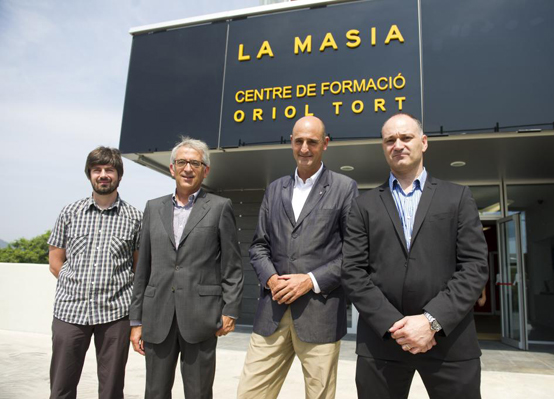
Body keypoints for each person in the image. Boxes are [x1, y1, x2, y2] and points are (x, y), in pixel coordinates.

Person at [342, 113, 489, 399]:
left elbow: (474, 267)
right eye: (390, 140)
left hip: (449, 341)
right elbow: (353, 272)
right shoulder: (363, 205)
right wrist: (395, 327)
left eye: (406, 137)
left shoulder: (457, 197)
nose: (398, 145)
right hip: (382, 342)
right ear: (383, 147)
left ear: (423, 142)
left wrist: (431, 321)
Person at [237, 116, 358, 399]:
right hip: (272, 312)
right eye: (299, 141)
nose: (305, 148)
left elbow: (353, 253)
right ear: (291, 141)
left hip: (320, 315)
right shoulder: (274, 189)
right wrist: (270, 278)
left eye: (312, 142)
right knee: (248, 393)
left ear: (325, 144)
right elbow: (258, 246)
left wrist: (310, 280)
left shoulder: (344, 188)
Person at [129, 137, 244, 399]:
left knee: (199, 393)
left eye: (195, 163)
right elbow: (142, 269)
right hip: (157, 318)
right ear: (172, 168)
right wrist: (136, 321)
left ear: (206, 170)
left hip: (201, 318)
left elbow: (232, 266)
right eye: (182, 162)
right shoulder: (153, 208)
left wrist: (231, 310)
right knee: (155, 393)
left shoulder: (219, 207)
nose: (188, 168)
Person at [47, 147, 143, 399]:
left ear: (119, 175)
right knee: (61, 386)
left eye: (109, 170)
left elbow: (138, 267)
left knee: (111, 389)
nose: (103, 175)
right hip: (70, 312)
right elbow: (55, 261)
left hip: (115, 314)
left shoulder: (134, 217)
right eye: (97, 170)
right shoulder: (70, 213)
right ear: (89, 174)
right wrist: (76, 284)